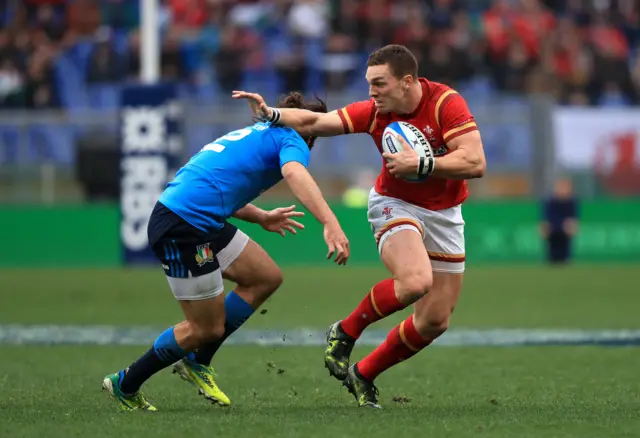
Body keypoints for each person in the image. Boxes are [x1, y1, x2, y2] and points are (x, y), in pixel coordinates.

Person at [233, 44, 486, 409]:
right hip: (394, 204)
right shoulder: (373, 113)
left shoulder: (446, 103)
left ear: (407, 81)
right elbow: (315, 122)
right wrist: (271, 113)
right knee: (415, 281)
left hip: (445, 213)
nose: (372, 92)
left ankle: (364, 373)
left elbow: (475, 161)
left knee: (434, 320)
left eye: (379, 83)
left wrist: (423, 163)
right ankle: (346, 330)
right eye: (369, 84)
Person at [102, 92, 350, 411]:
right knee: (205, 328)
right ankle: (126, 383)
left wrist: (261, 216)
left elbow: (216, 185)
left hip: (198, 219)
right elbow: (294, 173)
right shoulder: (292, 139)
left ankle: (197, 361)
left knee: (264, 277)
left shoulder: (259, 132)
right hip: (184, 228)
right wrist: (330, 222)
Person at [540, 178, 579, 264]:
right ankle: (552, 259)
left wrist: (572, 227)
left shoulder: (571, 201)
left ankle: (565, 258)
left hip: (564, 230)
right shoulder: (550, 201)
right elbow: (545, 219)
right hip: (553, 229)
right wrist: (545, 228)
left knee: (564, 251)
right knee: (553, 252)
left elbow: (573, 219)